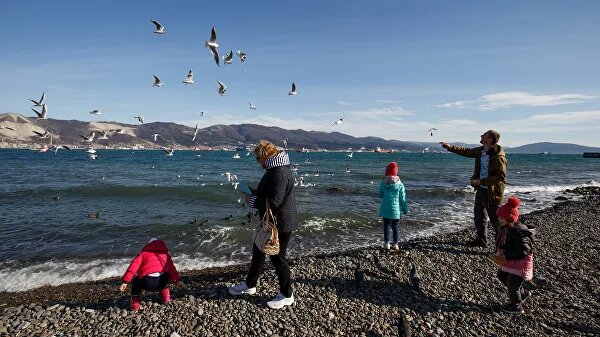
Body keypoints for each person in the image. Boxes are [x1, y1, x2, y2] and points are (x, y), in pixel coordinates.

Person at [228, 140, 299, 309]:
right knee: (258, 251)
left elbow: (274, 202)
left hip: (280, 223)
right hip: (272, 221)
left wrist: (251, 200)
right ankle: (250, 285)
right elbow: (269, 194)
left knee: (278, 258)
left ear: (265, 156)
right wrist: (252, 192)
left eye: (257, 158)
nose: (257, 162)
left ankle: (287, 294)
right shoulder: (275, 170)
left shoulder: (279, 173)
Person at [440, 130, 507, 247]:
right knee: (479, 216)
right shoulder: (481, 151)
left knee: (496, 221)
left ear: (489, 139)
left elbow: (501, 176)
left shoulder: (498, 157)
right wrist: (450, 147)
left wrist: (482, 181)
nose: (481, 136)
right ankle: (481, 241)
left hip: (493, 193)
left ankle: (504, 248)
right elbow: (466, 152)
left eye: (484, 135)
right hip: (480, 189)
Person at [490, 197, 534, 314]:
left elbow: (524, 250)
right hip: (511, 261)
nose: (499, 219)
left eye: (502, 217)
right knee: (501, 276)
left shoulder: (519, 231)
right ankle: (523, 293)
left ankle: (516, 306)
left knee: (512, 286)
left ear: (510, 218)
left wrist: (505, 255)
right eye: (499, 216)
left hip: (520, 263)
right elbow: (503, 243)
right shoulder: (505, 229)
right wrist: (499, 253)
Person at [119, 238, 185, 311]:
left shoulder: (143, 254)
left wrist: (125, 282)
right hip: (161, 283)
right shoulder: (165, 255)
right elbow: (172, 268)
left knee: (136, 283)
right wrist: (177, 281)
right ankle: (166, 298)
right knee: (166, 275)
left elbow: (132, 267)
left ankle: (135, 305)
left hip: (147, 283)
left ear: (149, 245)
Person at [377, 162, 409, 250]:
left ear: (386, 172)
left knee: (386, 225)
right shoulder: (400, 184)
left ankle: (386, 243)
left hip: (385, 208)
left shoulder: (383, 183)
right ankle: (395, 244)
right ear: (396, 173)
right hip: (396, 210)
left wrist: (385, 196)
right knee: (395, 226)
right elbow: (403, 199)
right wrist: (405, 209)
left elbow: (379, 194)